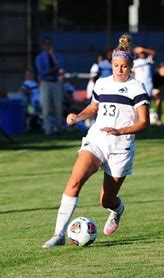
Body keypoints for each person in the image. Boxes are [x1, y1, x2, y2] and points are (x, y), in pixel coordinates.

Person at [42, 33, 150, 248]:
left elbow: (144, 123)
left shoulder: (137, 88)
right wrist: (77, 116)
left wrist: (120, 131)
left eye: (123, 66)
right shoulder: (102, 83)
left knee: (106, 200)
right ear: (111, 64)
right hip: (97, 139)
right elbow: (93, 108)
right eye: (116, 65)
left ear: (130, 67)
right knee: (74, 181)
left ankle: (117, 210)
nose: (119, 70)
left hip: (121, 146)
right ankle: (58, 234)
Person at [35, 37, 65, 135]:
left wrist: (52, 56)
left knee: (58, 107)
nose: (48, 46)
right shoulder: (39, 57)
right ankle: (48, 130)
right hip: (45, 83)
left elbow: (60, 67)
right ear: (43, 46)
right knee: (46, 108)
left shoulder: (56, 56)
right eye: (46, 44)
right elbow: (42, 72)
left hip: (56, 82)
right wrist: (54, 70)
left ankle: (59, 129)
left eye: (49, 44)